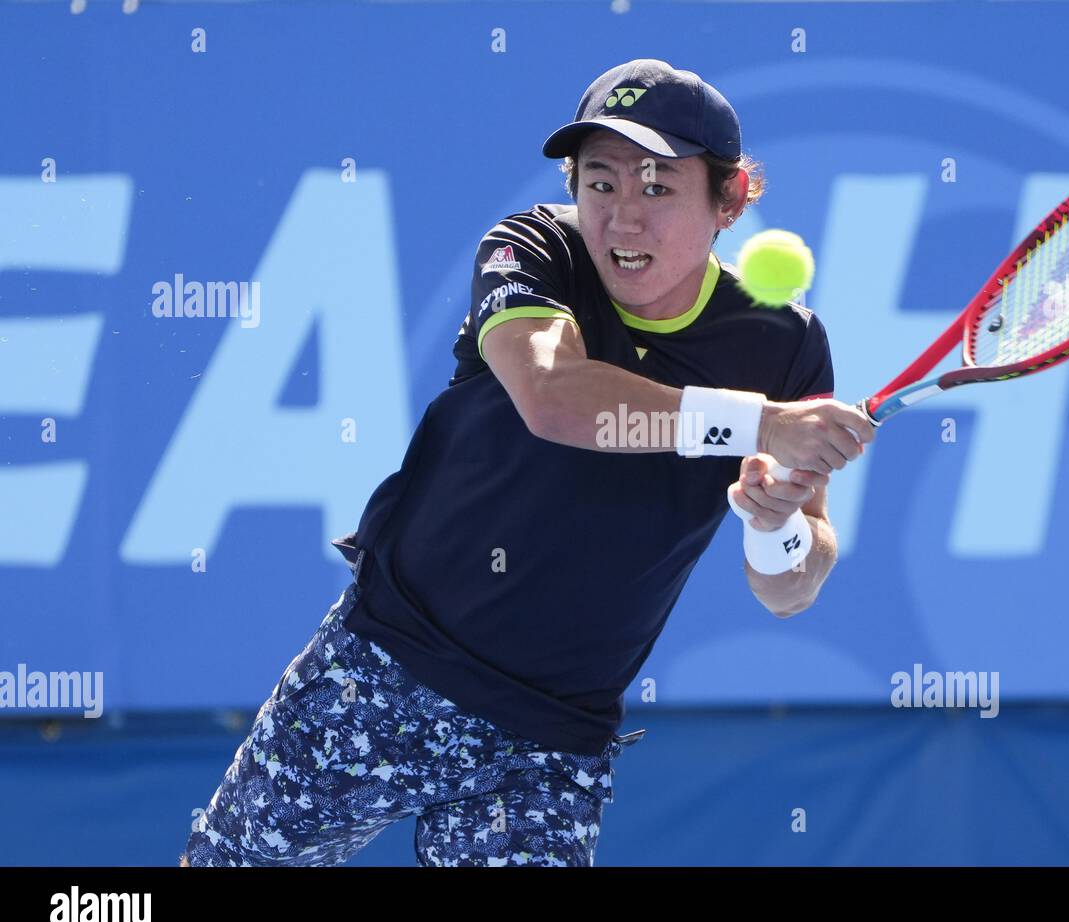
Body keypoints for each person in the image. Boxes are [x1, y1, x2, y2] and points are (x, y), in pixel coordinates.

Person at [181, 58, 873, 868]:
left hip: (551, 740)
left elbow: (790, 589)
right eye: (600, 183)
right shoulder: (533, 248)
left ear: (731, 200)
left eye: (657, 189)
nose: (622, 219)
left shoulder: (784, 344)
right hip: (383, 674)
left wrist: (776, 520)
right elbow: (553, 397)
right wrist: (755, 421)